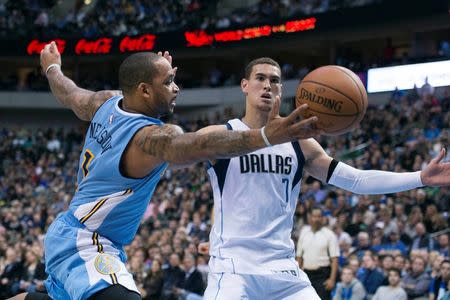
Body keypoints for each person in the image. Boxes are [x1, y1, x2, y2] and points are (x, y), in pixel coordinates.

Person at [9, 42, 321, 300]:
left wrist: (52, 68)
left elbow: (70, 93)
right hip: (88, 240)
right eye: (168, 82)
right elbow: (198, 147)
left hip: (71, 231)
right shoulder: (150, 137)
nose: (177, 88)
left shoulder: (107, 102)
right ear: (144, 91)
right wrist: (268, 136)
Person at [200, 56, 450, 299]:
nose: (267, 85)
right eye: (260, 78)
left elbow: (357, 180)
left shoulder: (299, 144)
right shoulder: (222, 135)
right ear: (244, 85)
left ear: (281, 89)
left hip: (283, 270)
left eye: (274, 80)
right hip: (234, 269)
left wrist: (420, 178)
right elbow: (174, 152)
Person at [297, 206, 339, 300]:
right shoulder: (304, 233)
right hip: (306, 275)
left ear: (323, 218)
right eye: (314, 216)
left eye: (319, 216)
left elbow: (335, 259)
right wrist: (298, 277)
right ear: (310, 218)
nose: (316, 219)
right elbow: (299, 257)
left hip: (322, 275)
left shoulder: (329, 234)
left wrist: (332, 279)